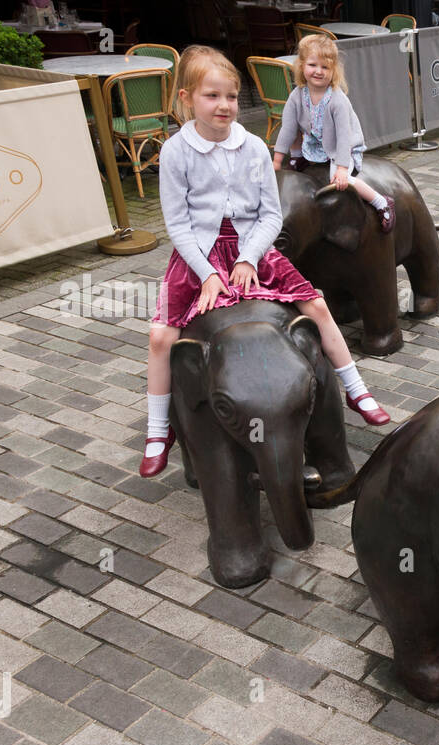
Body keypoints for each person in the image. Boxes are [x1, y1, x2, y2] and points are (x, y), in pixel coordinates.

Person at [142, 46, 390, 478]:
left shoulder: (253, 147)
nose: (224, 106)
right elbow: (177, 226)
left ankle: (356, 388)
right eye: (212, 96)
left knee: (316, 306)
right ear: (187, 99)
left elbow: (270, 214)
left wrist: (248, 257)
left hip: (252, 245)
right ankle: (158, 428)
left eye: (232, 97)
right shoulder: (175, 152)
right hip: (198, 253)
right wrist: (208, 274)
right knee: (161, 337)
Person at [271, 34, 394, 233]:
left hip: (341, 147)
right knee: (292, 126)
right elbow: (287, 128)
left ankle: (381, 202)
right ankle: (297, 159)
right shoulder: (297, 95)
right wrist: (277, 160)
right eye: (313, 65)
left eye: (325, 67)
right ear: (302, 66)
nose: (318, 71)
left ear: (333, 70)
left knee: (339, 182)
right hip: (315, 141)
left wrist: (342, 168)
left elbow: (344, 136)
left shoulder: (337, 100)